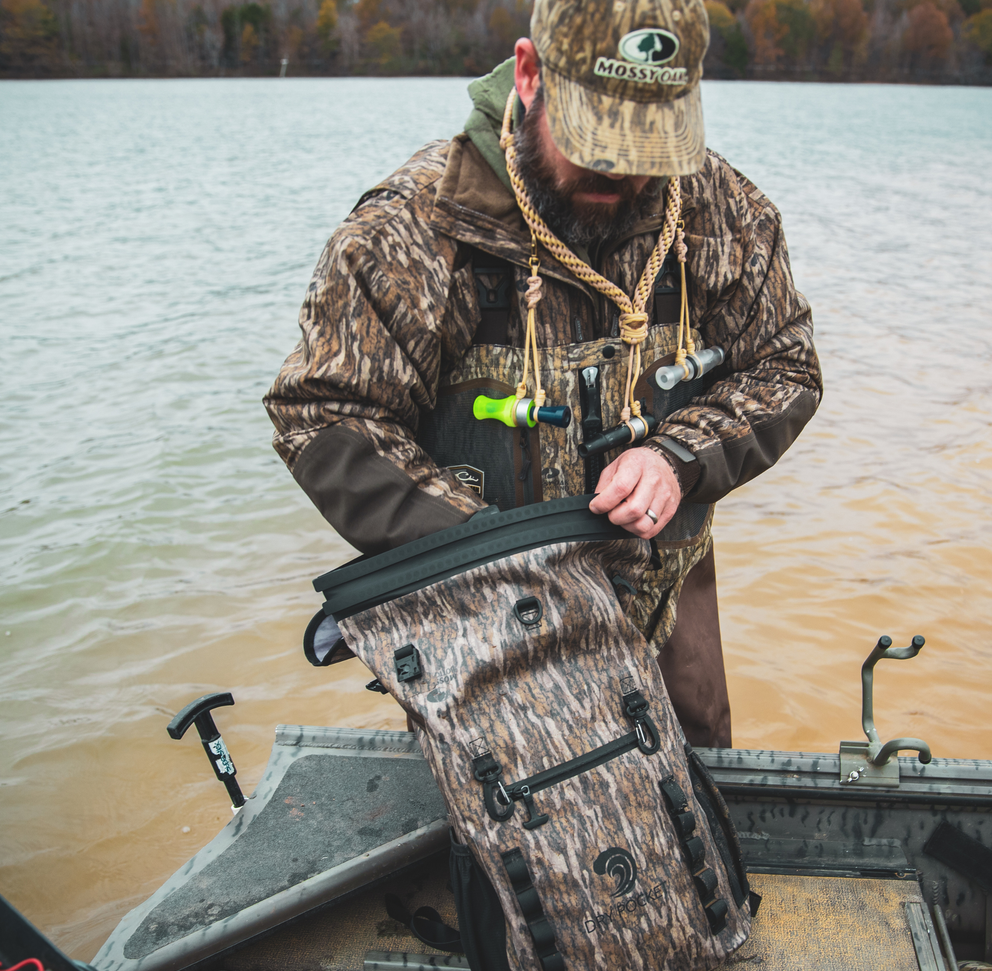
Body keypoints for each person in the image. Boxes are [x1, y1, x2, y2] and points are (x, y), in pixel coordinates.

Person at [264, 0, 822, 748]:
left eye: (645, 143)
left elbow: (784, 364)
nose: (618, 168)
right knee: (508, 837)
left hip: (669, 604)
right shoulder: (414, 227)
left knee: (701, 808)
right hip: (484, 629)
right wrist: (488, 554)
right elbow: (323, 413)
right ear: (528, 74)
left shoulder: (722, 212)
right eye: (593, 135)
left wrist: (677, 456)